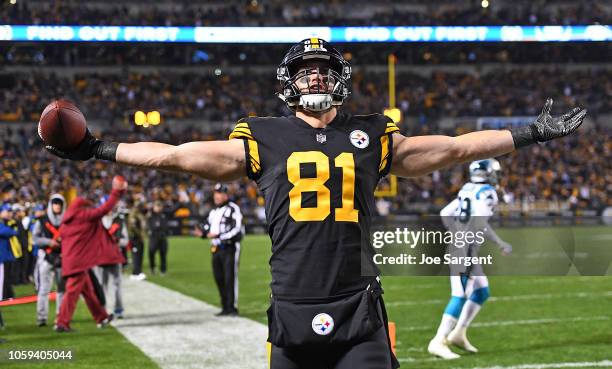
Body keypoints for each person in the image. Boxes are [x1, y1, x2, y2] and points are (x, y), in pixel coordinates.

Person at [45, 38, 586, 368]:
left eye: (325, 70)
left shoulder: (373, 135)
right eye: (306, 72)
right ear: (288, 84)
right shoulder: (262, 137)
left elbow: (455, 147)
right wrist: (99, 149)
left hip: (357, 306)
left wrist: (530, 133)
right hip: (293, 307)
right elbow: (175, 155)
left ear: (342, 82)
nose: (317, 77)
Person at [428, 159, 513, 360]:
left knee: (481, 291)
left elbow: (445, 212)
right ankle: (438, 341)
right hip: (464, 249)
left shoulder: (466, 188)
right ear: (488, 174)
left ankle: (458, 333)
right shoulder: (487, 193)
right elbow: (480, 222)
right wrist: (498, 242)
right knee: (459, 294)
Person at [55, 177, 127, 332]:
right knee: (71, 295)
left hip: (72, 262)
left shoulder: (66, 221)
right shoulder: (83, 216)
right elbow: (104, 209)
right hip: (77, 264)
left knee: (88, 292)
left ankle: (101, 317)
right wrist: (117, 191)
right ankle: (62, 322)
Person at [196, 183, 243, 316]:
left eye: (220, 193)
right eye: (216, 193)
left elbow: (237, 229)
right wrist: (202, 232)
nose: (217, 196)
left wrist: (219, 235)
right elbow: (208, 227)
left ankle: (232, 307)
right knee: (219, 278)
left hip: (230, 247)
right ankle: (225, 306)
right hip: (216, 248)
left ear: (226, 195)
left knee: (230, 278)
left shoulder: (233, 209)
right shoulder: (214, 211)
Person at [31, 194, 66, 327]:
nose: (57, 206)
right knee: (43, 289)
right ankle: (41, 317)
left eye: (59, 204)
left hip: (62, 258)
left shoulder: (67, 221)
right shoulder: (42, 220)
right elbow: (34, 239)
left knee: (62, 290)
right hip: (46, 258)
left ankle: (61, 316)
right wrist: (49, 242)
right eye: (55, 203)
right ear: (51, 205)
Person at [98, 199, 128, 319]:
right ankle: (102, 310)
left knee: (117, 284)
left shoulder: (119, 221)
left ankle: (118, 309)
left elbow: (126, 240)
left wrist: (118, 242)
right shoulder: (98, 221)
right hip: (100, 257)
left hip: (115, 256)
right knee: (101, 285)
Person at [0, 203, 18, 302]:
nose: (9, 214)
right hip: (2, 257)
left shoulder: (7, 223)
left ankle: (7, 295)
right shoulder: (2, 224)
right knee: (2, 280)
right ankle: (3, 297)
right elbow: (10, 232)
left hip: (6, 256)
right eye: (7, 211)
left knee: (7, 278)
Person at [128, 198, 147, 281]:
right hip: (135, 238)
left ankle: (139, 271)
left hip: (139, 238)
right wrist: (139, 235)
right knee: (136, 255)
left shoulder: (139, 214)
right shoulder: (133, 214)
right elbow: (133, 227)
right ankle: (135, 273)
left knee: (140, 254)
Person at [147, 201, 168, 276]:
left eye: (159, 206)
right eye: (157, 206)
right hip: (154, 237)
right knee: (151, 253)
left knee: (163, 254)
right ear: (154, 207)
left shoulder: (163, 215)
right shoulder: (150, 215)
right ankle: (152, 268)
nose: (158, 208)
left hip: (162, 237)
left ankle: (163, 270)